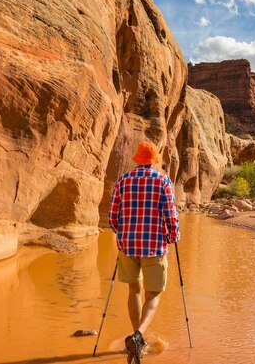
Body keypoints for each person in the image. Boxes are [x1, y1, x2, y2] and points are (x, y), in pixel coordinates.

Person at [108, 141, 180, 364]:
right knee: (154, 294)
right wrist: (173, 235)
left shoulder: (123, 180)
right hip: (154, 246)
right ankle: (139, 336)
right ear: (154, 161)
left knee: (134, 290)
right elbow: (171, 214)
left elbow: (112, 216)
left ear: (137, 159)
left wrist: (122, 234)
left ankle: (136, 337)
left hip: (127, 245)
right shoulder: (162, 180)